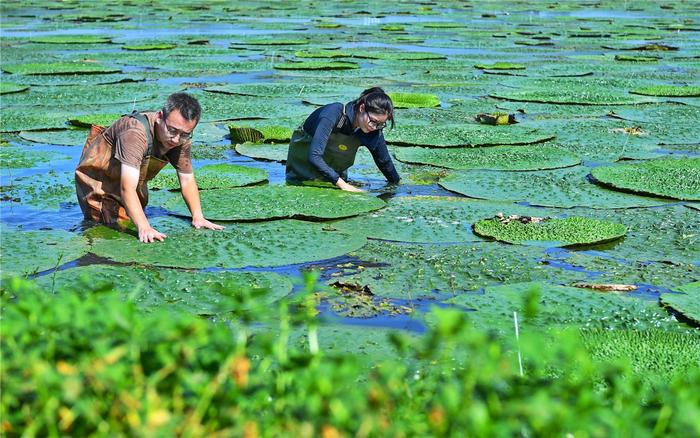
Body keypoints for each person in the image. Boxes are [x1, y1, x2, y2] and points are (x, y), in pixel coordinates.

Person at [75, 92, 223, 243]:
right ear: (159, 117)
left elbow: (187, 180)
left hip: (132, 180)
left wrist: (198, 217)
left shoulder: (180, 137)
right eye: (172, 130)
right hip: (101, 183)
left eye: (185, 134)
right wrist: (144, 227)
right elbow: (127, 188)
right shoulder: (135, 133)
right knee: (107, 232)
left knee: (132, 222)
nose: (176, 139)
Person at [286, 87, 400, 192]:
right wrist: (343, 185)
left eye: (380, 124)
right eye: (373, 121)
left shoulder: (372, 129)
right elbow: (314, 155)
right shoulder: (333, 113)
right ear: (362, 108)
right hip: (301, 179)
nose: (374, 127)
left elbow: (384, 162)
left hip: (334, 181)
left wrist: (397, 187)